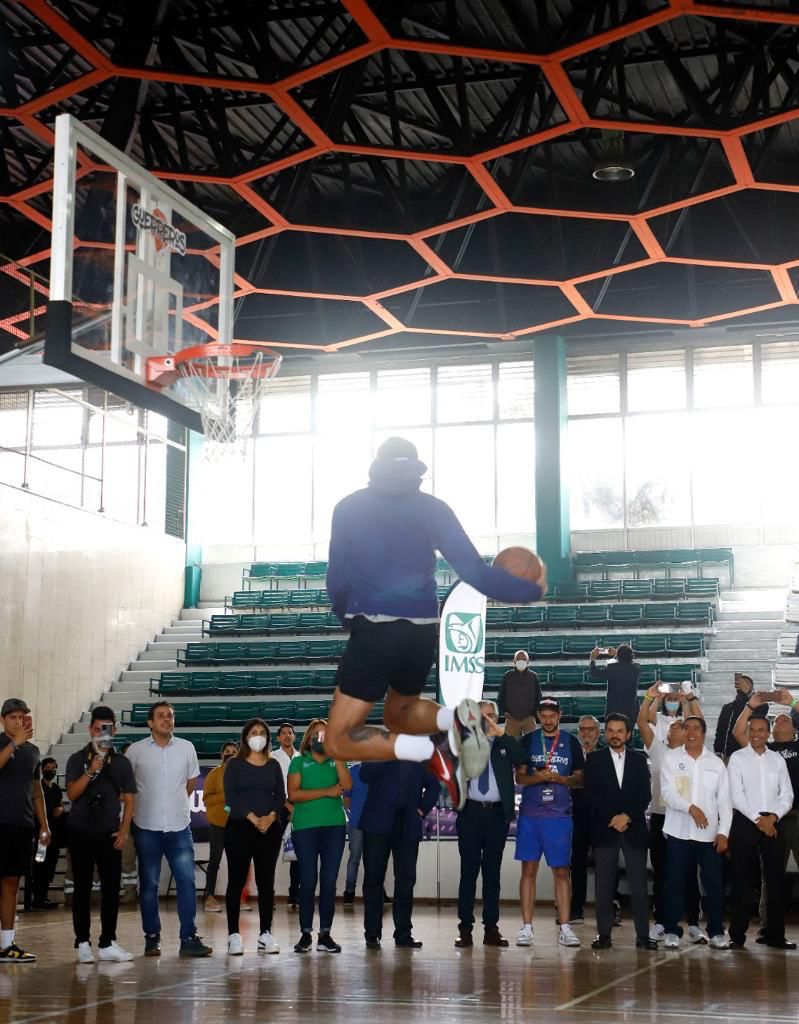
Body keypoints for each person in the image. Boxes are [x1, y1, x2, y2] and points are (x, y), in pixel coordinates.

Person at [324, 436, 547, 808]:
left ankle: (430, 752)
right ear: (417, 469)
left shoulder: (348, 508)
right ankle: (456, 718)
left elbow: (336, 579)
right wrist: (528, 589)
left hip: (375, 628)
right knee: (400, 714)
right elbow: (474, 571)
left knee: (337, 740)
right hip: (423, 631)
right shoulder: (433, 509)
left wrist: (346, 615)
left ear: (376, 466)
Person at [126, 701, 212, 958]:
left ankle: (188, 938)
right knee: (149, 884)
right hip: (146, 826)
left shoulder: (187, 748)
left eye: (170, 715)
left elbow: (191, 782)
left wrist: (174, 804)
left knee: (187, 881)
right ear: (150, 722)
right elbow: (128, 788)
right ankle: (152, 937)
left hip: (179, 826)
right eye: (161, 716)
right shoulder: (136, 751)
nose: (166, 719)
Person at [64, 705, 136, 962]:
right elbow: (72, 793)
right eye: (97, 729)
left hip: (109, 833)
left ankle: (107, 942)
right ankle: (82, 942)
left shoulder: (121, 762)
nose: (101, 735)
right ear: (90, 729)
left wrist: (124, 830)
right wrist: (91, 769)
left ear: (114, 730)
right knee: (82, 889)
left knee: (111, 889)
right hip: (80, 831)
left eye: (106, 730)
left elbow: (130, 798)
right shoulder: (77, 759)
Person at [454, 700, 528, 948]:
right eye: (482, 715)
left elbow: (523, 757)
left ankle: (491, 928)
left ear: (497, 718)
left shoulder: (505, 744)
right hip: (471, 813)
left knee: (492, 873)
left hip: (497, 815)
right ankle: (465, 929)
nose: (487, 720)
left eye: (491, 716)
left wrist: (502, 735)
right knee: (468, 872)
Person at [514, 697, 584, 948]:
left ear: (559, 715)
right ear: (538, 717)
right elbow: (520, 777)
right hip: (531, 816)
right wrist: (537, 778)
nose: (548, 720)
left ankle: (565, 927)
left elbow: (580, 780)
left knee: (562, 872)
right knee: (528, 871)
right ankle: (526, 927)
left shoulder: (571, 742)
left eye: (552, 715)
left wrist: (560, 779)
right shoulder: (527, 740)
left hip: (559, 816)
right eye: (543, 716)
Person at [637, 686, 704, 943]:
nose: (675, 728)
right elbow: (642, 721)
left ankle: (694, 923)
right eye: (672, 727)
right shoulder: (657, 748)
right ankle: (662, 922)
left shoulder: (693, 753)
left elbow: (699, 721)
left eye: (681, 726)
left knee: (689, 872)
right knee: (662, 873)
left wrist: (688, 700)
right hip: (661, 817)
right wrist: (650, 696)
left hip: (687, 818)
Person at [584, 714, 656, 951]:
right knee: (604, 885)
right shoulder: (594, 759)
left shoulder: (639, 760)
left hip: (633, 829)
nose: (615, 735)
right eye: (611, 731)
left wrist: (627, 816)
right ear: (605, 734)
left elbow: (645, 795)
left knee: (639, 885)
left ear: (628, 734)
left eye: (619, 731)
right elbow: (590, 795)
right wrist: (612, 818)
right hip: (605, 829)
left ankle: (643, 936)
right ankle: (604, 934)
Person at [660, 716, 731, 950]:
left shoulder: (716, 763)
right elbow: (668, 793)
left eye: (696, 729)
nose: (691, 732)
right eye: (687, 728)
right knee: (674, 884)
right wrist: (691, 808)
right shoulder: (671, 758)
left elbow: (724, 802)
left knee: (714, 884)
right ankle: (672, 930)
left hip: (709, 835)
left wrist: (723, 832)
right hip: (678, 832)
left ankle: (716, 932)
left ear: (704, 733)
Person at [731, 688, 799, 933]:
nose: (780, 720)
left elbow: (787, 794)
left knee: (775, 879)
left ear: (795, 728)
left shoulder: (793, 749)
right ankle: (763, 928)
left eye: (785, 719)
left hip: (790, 816)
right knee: (766, 878)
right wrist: (751, 705)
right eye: (776, 719)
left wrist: (792, 702)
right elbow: (739, 732)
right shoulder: (760, 751)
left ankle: (775, 932)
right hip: (765, 820)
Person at [287, 719, 351, 953]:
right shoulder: (298, 762)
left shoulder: (337, 760)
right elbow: (294, 794)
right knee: (308, 880)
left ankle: (325, 934)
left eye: (325, 734)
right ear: (308, 738)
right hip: (305, 827)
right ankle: (305, 933)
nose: (320, 738)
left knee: (329, 881)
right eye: (316, 734)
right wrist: (327, 791)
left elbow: (348, 785)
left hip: (334, 826)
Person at [359, 759, 438, 949]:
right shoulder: (377, 750)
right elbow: (365, 775)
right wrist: (386, 754)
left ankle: (403, 933)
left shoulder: (419, 754)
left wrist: (421, 810)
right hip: (377, 824)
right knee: (373, 879)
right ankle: (372, 933)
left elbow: (434, 786)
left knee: (406, 880)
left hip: (408, 824)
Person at [224, 719, 285, 956]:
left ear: (268, 738)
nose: (258, 736)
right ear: (245, 737)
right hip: (239, 827)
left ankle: (265, 933)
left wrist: (270, 817)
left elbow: (280, 795)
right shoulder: (234, 764)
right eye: (253, 732)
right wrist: (252, 817)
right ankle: (233, 935)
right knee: (236, 880)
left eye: (262, 732)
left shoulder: (273, 764)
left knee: (266, 882)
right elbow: (231, 797)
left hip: (269, 829)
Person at [0, 698, 49, 963]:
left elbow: (37, 791)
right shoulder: (3, 744)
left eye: (22, 717)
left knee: (12, 883)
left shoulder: (32, 751)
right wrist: (13, 744)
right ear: (3, 720)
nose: (18, 721)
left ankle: (7, 944)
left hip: (21, 824)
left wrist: (44, 825)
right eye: (13, 717)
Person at [569, 715, 601, 925]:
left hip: (602, 815)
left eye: (590, 729)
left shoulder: (607, 753)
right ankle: (576, 909)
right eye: (583, 729)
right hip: (577, 814)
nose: (586, 732)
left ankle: (609, 908)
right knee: (577, 863)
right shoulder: (571, 753)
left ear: (598, 732)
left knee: (605, 864)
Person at [202, 741, 239, 913]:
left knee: (237, 863)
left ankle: (236, 898)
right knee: (214, 861)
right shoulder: (214, 774)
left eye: (234, 751)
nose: (230, 754)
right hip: (218, 825)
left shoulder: (243, 774)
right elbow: (207, 799)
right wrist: (226, 795)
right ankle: (209, 896)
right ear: (221, 754)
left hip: (238, 825)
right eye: (227, 751)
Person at [271, 722, 301, 909]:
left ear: (294, 736)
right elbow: (273, 786)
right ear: (278, 737)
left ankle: (294, 895)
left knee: (298, 853)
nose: (287, 736)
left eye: (290, 733)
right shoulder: (273, 757)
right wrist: (287, 805)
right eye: (283, 733)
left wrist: (296, 807)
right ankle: (269, 894)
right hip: (279, 807)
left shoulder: (302, 757)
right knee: (271, 853)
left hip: (299, 807)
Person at [31, 756, 64, 910]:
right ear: (42, 770)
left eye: (54, 768)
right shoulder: (39, 787)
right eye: (48, 768)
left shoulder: (56, 788)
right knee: (40, 865)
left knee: (51, 865)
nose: (51, 771)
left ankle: (43, 896)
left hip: (54, 833)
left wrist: (61, 809)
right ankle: (37, 898)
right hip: (41, 834)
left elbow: (60, 804)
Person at [714, 673, 762, 761]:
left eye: (746, 684)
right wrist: (717, 751)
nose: (742, 686)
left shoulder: (760, 706)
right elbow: (720, 731)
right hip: (728, 756)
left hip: (749, 756)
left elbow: (760, 710)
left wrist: (748, 694)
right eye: (740, 683)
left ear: (752, 688)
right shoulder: (727, 707)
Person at [588, 644, 640, 724]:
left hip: (614, 709)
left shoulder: (611, 668)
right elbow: (628, 662)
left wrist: (592, 659)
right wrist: (617, 654)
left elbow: (594, 672)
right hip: (631, 710)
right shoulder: (636, 668)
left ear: (618, 656)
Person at [497, 651, 541, 738]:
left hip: (529, 718)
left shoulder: (533, 676)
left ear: (528, 661)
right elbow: (501, 696)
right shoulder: (507, 676)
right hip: (511, 718)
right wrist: (505, 712)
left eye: (524, 659)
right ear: (514, 661)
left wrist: (534, 714)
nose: (521, 661)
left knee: (531, 742)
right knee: (511, 744)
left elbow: (538, 697)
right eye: (518, 659)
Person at [343, 761, 368, 905]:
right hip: (356, 822)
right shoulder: (352, 771)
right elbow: (346, 798)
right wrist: (353, 814)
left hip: (375, 823)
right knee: (355, 857)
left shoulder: (379, 771)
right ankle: (349, 891)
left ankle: (377, 891)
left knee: (375, 859)